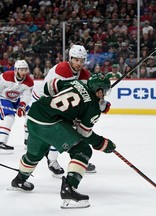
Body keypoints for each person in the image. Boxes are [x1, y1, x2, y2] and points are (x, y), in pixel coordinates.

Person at [10, 75, 116, 209]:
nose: (104, 95)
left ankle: (19, 180)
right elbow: (85, 133)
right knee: (83, 150)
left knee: (34, 154)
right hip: (50, 123)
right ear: (99, 91)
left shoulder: (75, 82)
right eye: (104, 92)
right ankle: (69, 189)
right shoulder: (93, 107)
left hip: (35, 115)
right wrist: (103, 144)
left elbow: (48, 87)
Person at [29, 44, 109, 176]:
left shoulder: (84, 74)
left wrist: (101, 102)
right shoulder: (61, 70)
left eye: (82, 60)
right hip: (43, 101)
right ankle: (52, 160)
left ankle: (79, 158)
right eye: (76, 60)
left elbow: (90, 94)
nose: (79, 63)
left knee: (76, 129)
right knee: (59, 131)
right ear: (70, 58)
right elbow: (59, 93)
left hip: (61, 104)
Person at [0, 60, 33, 154]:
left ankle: (28, 140)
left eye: (25, 70)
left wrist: (22, 106)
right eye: (21, 70)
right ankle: (1, 141)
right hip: (3, 98)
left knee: (30, 114)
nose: (23, 72)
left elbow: (26, 96)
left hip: (16, 100)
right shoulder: (6, 76)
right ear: (16, 70)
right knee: (10, 117)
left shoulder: (29, 81)